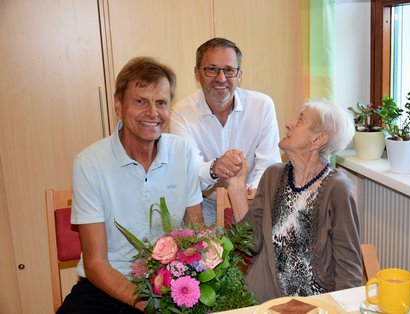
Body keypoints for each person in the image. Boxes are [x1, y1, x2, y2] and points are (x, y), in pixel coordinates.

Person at [58, 57, 204, 313]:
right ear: (118, 105)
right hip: (107, 286)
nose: (152, 113)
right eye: (140, 101)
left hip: (169, 283)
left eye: (161, 103)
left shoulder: (183, 153)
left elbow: (196, 233)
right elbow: (95, 264)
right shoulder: (89, 163)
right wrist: (149, 305)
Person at [227, 100, 363, 302]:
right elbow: (250, 244)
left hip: (319, 305)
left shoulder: (337, 189)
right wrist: (237, 187)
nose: (289, 124)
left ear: (318, 139)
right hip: (269, 301)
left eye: (300, 120)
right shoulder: (273, 175)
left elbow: (349, 270)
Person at [169, 37, 282, 225]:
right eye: (212, 69)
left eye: (229, 70)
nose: (221, 78)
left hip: (253, 201)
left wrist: (245, 193)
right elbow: (187, 175)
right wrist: (215, 168)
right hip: (202, 205)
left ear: (239, 75)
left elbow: (270, 165)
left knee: (258, 251)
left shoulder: (262, 106)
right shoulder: (181, 113)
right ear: (197, 74)